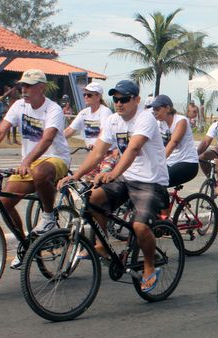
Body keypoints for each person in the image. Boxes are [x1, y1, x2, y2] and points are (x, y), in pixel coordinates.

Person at [58, 79, 169, 292]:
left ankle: (149, 264)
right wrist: (77, 175)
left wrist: (114, 173)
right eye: (116, 99)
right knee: (93, 199)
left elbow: (134, 148)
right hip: (126, 178)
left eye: (124, 99)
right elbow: (98, 152)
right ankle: (104, 246)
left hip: (151, 181)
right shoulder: (112, 121)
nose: (119, 103)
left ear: (136, 100)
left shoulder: (145, 118)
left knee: (139, 226)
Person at [0, 69, 71, 268]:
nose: (24, 89)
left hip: (55, 158)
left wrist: (26, 161)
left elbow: (47, 138)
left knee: (40, 172)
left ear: (41, 87)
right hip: (29, 162)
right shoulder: (18, 105)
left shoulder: (53, 109)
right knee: (4, 204)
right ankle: (25, 246)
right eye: (22, 85)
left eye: (29, 86)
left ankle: (48, 217)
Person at [64, 82, 115, 177]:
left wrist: (96, 145)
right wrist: (54, 140)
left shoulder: (105, 111)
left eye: (89, 95)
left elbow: (104, 131)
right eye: (84, 94)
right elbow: (69, 130)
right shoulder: (84, 113)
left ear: (98, 96)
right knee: (86, 180)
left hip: (107, 154)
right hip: (93, 155)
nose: (86, 97)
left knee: (101, 179)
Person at [151, 94, 199, 187]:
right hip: (170, 161)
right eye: (154, 109)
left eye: (158, 109)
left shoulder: (181, 121)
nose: (155, 112)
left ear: (168, 108)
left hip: (187, 163)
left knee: (160, 182)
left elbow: (173, 143)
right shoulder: (159, 123)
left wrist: (159, 162)